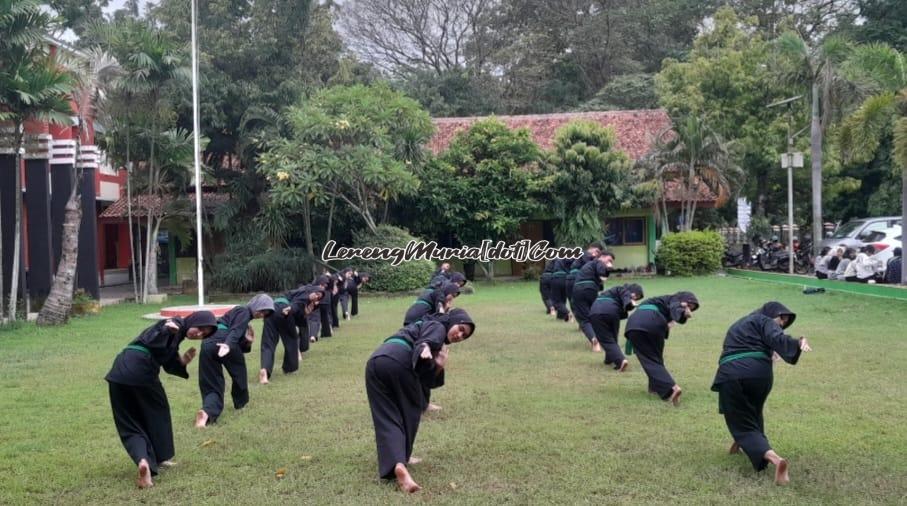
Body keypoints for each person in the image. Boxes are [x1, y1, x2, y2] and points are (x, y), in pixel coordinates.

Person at [365, 309, 476, 493]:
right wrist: (425, 346)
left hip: (376, 361)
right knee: (410, 412)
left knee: (386, 415)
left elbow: (428, 377)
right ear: (453, 320)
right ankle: (403, 460)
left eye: (464, 336)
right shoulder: (438, 326)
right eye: (461, 328)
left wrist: (438, 365)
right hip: (400, 360)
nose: (460, 335)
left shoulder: (424, 323)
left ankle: (397, 463)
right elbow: (428, 340)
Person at [106, 311, 217, 488]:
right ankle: (159, 458)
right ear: (194, 320)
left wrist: (182, 362)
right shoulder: (174, 324)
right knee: (159, 414)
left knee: (129, 423)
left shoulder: (177, 334)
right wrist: (167, 329)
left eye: (204, 334)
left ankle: (144, 462)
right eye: (201, 328)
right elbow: (155, 335)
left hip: (120, 370)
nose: (199, 334)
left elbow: (166, 359)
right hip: (141, 369)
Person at [711, 302, 812, 485]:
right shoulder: (764, 321)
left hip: (733, 371)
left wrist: (794, 342)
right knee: (752, 411)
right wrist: (796, 343)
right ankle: (740, 444)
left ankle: (774, 459)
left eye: (785, 321)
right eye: (781, 318)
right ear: (772, 314)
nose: (781, 324)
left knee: (739, 416)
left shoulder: (741, 324)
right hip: (761, 374)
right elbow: (776, 337)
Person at [195, 294, 274, 427]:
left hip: (207, 343)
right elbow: (235, 331)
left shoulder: (239, 315)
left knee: (211, 382)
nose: (262, 314)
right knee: (239, 374)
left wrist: (247, 342)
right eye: (262, 310)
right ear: (255, 305)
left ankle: (206, 412)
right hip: (223, 340)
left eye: (265, 313)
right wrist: (227, 344)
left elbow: (236, 336)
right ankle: (241, 403)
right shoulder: (243, 311)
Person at [623, 291, 699, 405]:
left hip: (637, 324)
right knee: (653, 359)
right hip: (651, 323)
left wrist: (681, 314)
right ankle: (668, 388)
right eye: (689, 305)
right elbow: (676, 307)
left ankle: (661, 388)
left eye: (691, 308)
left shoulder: (663, 301)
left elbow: (674, 312)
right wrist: (682, 312)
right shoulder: (675, 299)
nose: (690, 309)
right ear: (683, 300)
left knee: (653, 359)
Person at [259, 287, 323, 384]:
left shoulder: (300, 295)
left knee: (268, 343)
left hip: (272, 309)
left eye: (319, 298)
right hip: (285, 310)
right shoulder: (305, 295)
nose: (317, 297)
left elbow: (299, 312)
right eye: (317, 294)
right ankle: (289, 368)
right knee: (291, 340)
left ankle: (265, 370)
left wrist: (305, 312)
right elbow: (296, 305)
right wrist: (291, 309)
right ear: (312, 291)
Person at [589, 283, 643, 371]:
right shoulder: (621, 288)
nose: (636, 298)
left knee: (608, 339)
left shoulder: (616, 294)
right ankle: (612, 359)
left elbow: (624, 310)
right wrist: (630, 303)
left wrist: (630, 305)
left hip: (598, 311)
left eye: (638, 297)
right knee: (611, 339)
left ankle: (619, 360)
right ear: (631, 290)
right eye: (636, 295)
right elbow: (626, 298)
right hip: (609, 311)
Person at [571, 251, 615, 351]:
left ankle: (594, 339)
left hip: (578, 289)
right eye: (609, 260)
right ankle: (599, 337)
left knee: (584, 319)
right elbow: (602, 274)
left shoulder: (589, 265)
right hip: (590, 289)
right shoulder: (598, 262)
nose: (610, 263)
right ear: (602, 257)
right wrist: (608, 268)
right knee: (593, 315)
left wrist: (607, 269)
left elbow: (602, 277)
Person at [566, 244, 602, 317]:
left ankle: (575, 316)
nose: (596, 254)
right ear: (592, 248)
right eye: (597, 251)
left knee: (574, 300)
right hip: (577, 278)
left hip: (570, 278)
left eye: (598, 253)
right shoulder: (586, 254)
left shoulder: (580, 255)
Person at [549, 257, 572, 322]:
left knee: (556, 301)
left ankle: (568, 312)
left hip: (556, 278)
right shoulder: (569, 259)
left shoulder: (556, 258)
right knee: (563, 299)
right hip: (566, 279)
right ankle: (561, 316)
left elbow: (550, 268)